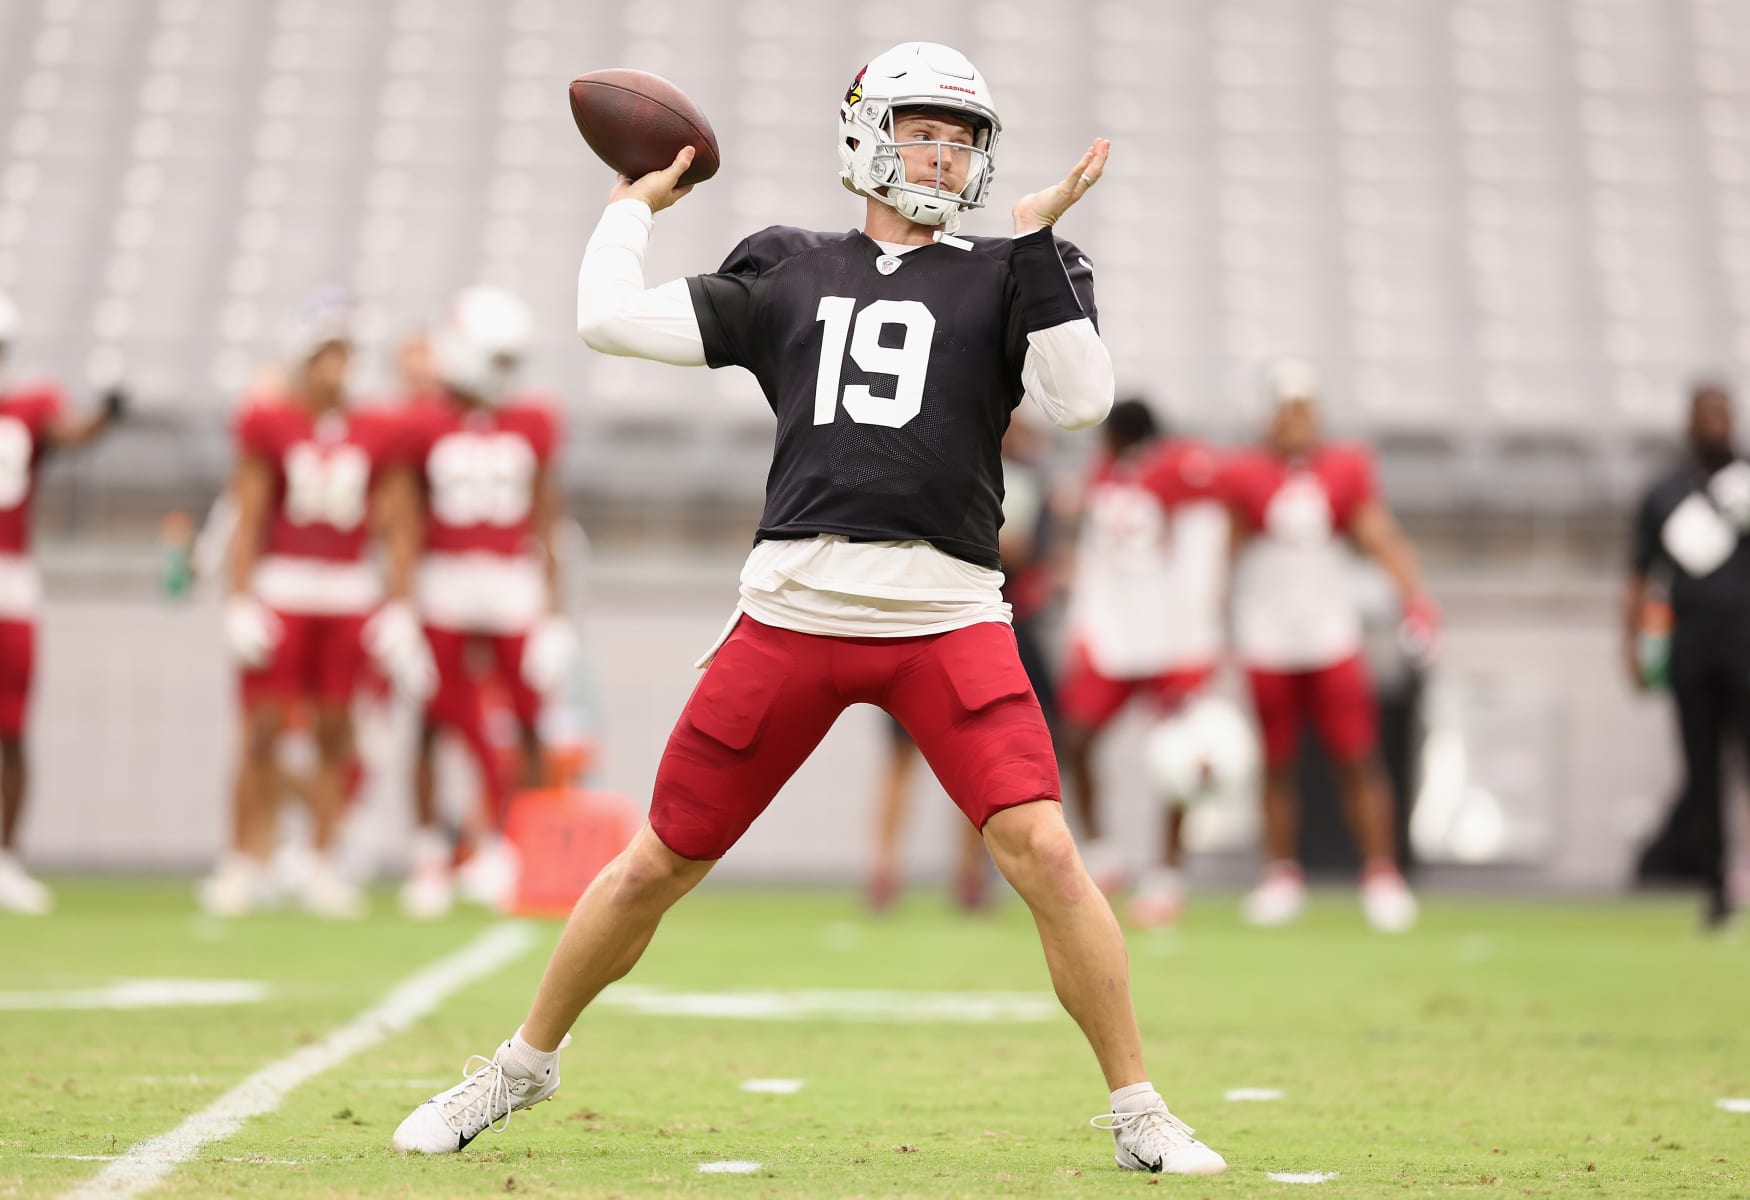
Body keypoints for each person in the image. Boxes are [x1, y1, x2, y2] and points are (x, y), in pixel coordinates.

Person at [392, 42, 1226, 1176]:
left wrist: (1031, 237)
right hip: (793, 608)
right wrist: (629, 208)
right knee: (656, 861)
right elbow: (608, 322)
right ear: (869, 137)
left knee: (1043, 849)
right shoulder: (789, 265)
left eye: (963, 135)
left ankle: (1138, 1109)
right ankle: (519, 1067)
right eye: (927, 129)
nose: (948, 153)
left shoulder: (1015, 265)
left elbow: (1082, 404)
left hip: (946, 613)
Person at [200, 296, 425, 918]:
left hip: (347, 589)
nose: (335, 367)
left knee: (335, 730)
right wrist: (239, 598)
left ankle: (323, 859)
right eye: (324, 354)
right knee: (262, 732)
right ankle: (244, 859)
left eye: (343, 354)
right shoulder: (271, 421)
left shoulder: (378, 428)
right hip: (284, 587)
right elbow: (249, 515)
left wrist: (401, 605)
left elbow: (399, 524)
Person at [1221, 359, 1431, 933]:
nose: (1295, 421)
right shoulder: (1244, 473)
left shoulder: (1344, 468)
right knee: (1277, 761)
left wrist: (1414, 595)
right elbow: (1226, 555)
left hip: (1329, 633)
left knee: (1356, 756)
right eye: (1285, 409)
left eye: (1303, 409)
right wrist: (1212, 628)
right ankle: (1281, 874)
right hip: (1266, 635)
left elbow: (1377, 533)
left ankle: (1382, 874)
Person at [396, 286, 576, 919]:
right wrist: (398, 608)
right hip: (443, 583)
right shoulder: (421, 422)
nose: (505, 376)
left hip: (511, 584)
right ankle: (428, 855)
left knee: (527, 722)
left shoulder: (532, 421)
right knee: (430, 721)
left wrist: (556, 615)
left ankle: (506, 848)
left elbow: (549, 521)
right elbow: (402, 521)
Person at [1625, 381, 1750, 929]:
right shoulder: (1666, 492)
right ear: (1690, 421)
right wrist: (1634, 645)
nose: (1715, 424)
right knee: (1701, 774)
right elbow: (1639, 577)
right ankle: (1714, 892)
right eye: (1706, 414)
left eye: (1723, 413)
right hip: (1691, 651)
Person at [866, 420, 1057, 914]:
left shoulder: (1022, 478)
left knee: (976, 758)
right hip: (923, 620)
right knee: (902, 756)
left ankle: (969, 875)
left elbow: (1016, 550)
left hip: (983, 624)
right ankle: (884, 873)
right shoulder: (948, 466)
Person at [1056, 398, 1230, 926]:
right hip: (1115, 638)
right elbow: (1096, 558)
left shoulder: (1182, 471)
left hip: (1169, 636)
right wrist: (1083, 627)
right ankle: (1105, 857)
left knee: (1176, 760)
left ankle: (1166, 878)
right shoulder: (1110, 475)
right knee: (1077, 738)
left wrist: (1199, 640)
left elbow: (1205, 551)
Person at [0, 292, 128, 915]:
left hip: (10, 582)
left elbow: (70, 433)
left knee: (12, 728)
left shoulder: (28, 407)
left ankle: (5, 858)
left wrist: (107, 412)